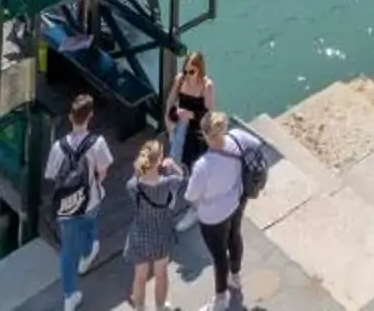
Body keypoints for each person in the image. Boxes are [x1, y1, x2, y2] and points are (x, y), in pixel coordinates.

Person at [45, 93, 113, 311]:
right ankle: (87, 253)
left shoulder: (58, 146)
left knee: (67, 250)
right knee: (89, 225)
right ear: (90, 116)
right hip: (91, 200)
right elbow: (103, 171)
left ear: (70, 117)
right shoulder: (98, 143)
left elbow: (51, 175)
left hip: (66, 207)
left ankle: (70, 295)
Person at [184, 108, 256, 311]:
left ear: (205, 135)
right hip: (237, 201)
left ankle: (220, 299)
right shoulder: (238, 138)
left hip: (212, 217)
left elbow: (190, 196)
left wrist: (200, 207)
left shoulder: (202, 166)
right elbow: (257, 147)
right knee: (235, 236)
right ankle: (235, 276)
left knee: (218, 255)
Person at [124, 136, 185, 311]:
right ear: (159, 160)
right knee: (161, 274)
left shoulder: (133, 186)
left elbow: (134, 177)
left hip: (140, 235)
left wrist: (142, 169)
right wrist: (172, 165)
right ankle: (160, 307)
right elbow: (182, 178)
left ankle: (140, 308)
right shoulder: (168, 183)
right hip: (161, 234)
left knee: (140, 277)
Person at [168, 50, 213, 166]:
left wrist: (191, 114)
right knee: (175, 155)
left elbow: (208, 113)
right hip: (180, 120)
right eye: (185, 71)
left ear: (200, 70)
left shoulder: (206, 86)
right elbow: (170, 100)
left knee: (192, 160)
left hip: (196, 125)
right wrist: (168, 119)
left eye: (192, 72)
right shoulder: (180, 79)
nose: (188, 74)